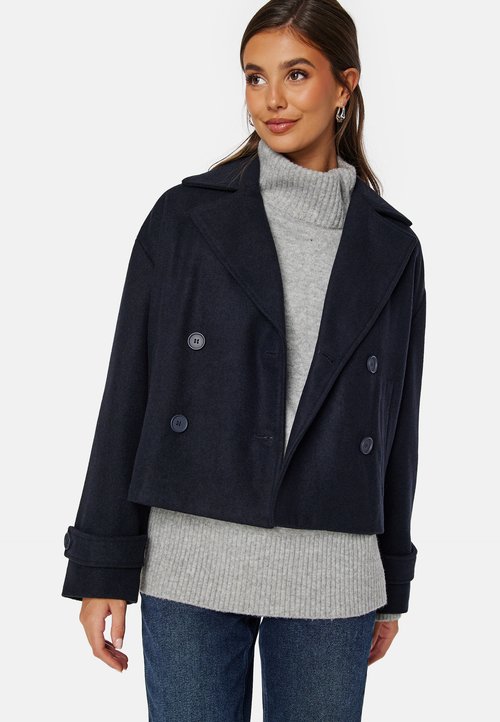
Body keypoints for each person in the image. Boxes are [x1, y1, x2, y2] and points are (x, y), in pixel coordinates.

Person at [61, 1, 427, 720]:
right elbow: (128, 394)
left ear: (345, 84)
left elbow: (396, 428)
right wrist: (102, 565)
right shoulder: (185, 220)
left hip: (334, 573)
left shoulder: (393, 247)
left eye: (297, 74)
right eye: (255, 78)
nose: (272, 99)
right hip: (192, 563)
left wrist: (390, 582)